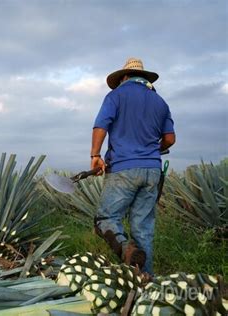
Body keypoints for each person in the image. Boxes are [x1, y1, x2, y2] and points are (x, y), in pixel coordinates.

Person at [91, 58, 175, 276]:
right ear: (144, 78)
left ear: (124, 77)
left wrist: (95, 155)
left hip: (123, 168)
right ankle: (144, 282)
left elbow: (101, 126)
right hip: (152, 171)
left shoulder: (116, 95)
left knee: (105, 219)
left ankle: (126, 251)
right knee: (143, 229)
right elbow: (170, 139)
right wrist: (155, 149)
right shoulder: (161, 102)